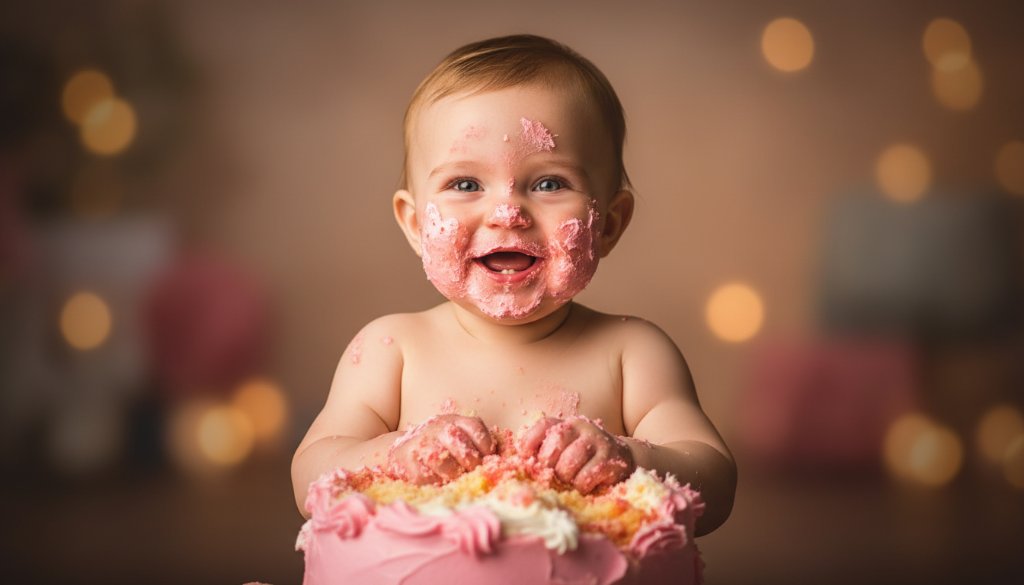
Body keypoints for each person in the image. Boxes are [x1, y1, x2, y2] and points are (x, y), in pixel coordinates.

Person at [291, 34, 736, 536]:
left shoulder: (633, 354)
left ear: (609, 223)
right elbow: (309, 476)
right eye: (466, 184)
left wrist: (628, 457)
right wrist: (393, 452)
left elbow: (715, 482)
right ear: (415, 224)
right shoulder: (389, 351)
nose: (507, 213)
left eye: (549, 183)